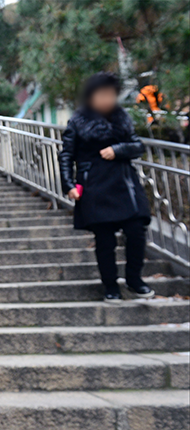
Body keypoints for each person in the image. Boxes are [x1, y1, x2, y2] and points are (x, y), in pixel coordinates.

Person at [59, 72, 154, 303]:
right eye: (102, 95)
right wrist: (69, 184)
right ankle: (110, 286)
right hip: (94, 186)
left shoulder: (122, 117)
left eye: (110, 95)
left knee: (136, 231)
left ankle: (134, 280)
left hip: (124, 183)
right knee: (104, 240)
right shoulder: (78, 120)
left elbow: (137, 145)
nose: (107, 99)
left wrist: (118, 150)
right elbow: (66, 155)